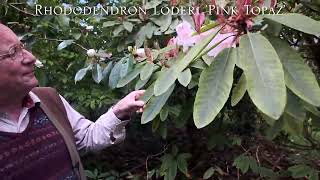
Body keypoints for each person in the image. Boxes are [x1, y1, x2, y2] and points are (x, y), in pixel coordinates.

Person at [0, 23, 145, 180]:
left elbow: (86, 137)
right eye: (14, 52)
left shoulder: (48, 99)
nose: (31, 58)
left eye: (22, 47)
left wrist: (120, 111)